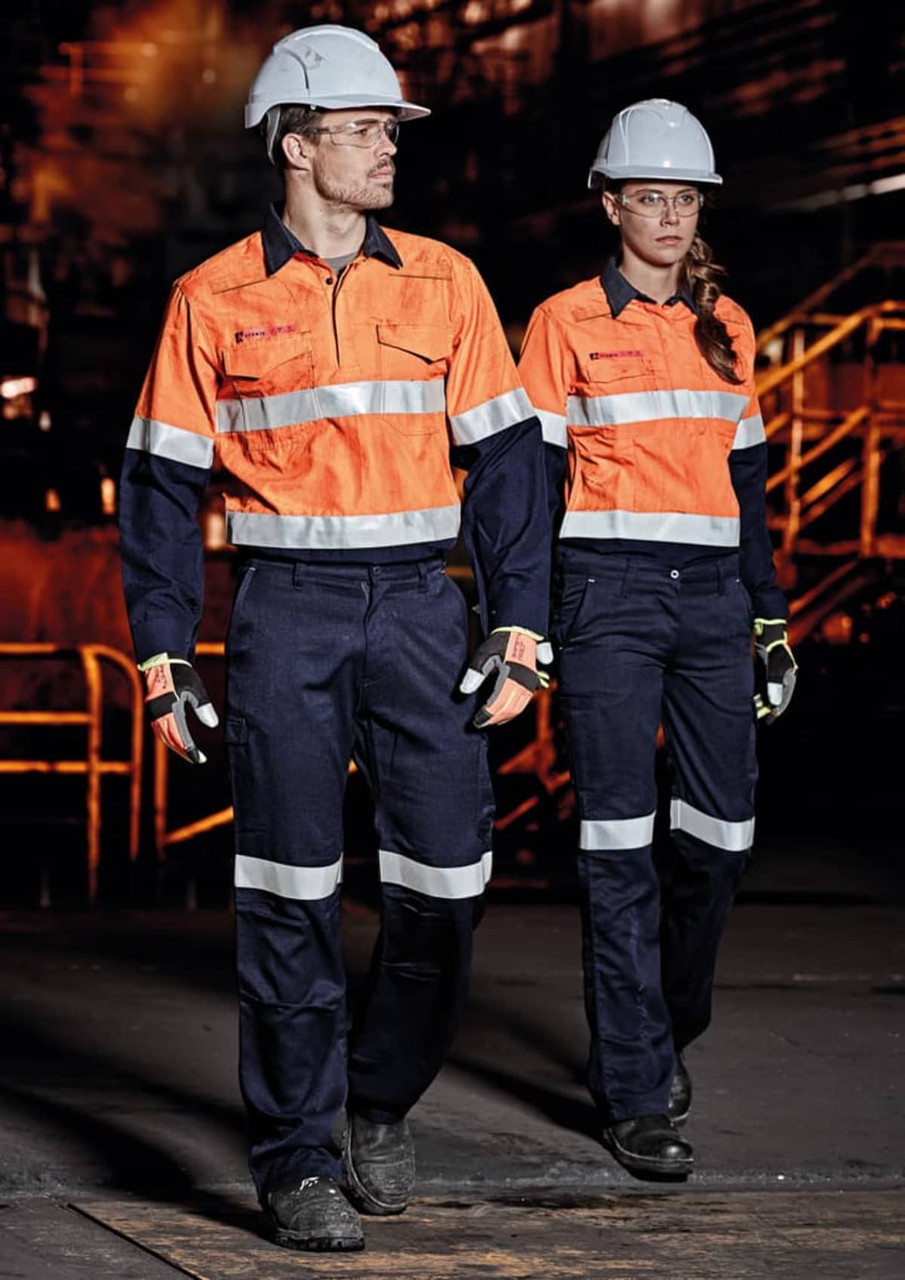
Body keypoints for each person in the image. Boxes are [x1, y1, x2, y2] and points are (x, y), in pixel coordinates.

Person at [119, 25, 550, 1251]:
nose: (386, 149)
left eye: (387, 132)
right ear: (297, 145)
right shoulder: (210, 297)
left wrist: (518, 626)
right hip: (283, 616)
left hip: (424, 610)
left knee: (445, 891)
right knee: (288, 896)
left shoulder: (450, 283)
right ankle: (296, 1155)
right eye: (365, 130)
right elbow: (157, 488)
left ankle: (377, 1095)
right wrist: (164, 654)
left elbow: (511, 466)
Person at [517, 99, 796, 1179]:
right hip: (606, 599)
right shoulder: (561, 323)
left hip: (713, 602)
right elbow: (531, 482)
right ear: (611, 203)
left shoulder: (730, 327)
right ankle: (633, 1088)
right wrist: (523, 617)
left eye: (684, 199)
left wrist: (769, 617)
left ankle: (665, 1022)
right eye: (650, 197)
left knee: (718, 841)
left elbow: (750, 484)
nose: (670, 215)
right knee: (615, 845)